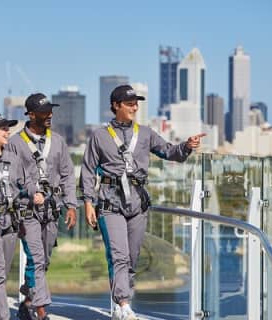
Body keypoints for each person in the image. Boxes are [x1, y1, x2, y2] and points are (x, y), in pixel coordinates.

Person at [80, 84, 206, 320]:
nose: (134, 107)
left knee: (132, 257)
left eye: (136, 103)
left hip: (138, 204)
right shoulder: (99, 136)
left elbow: (169, 152)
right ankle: (123, 303)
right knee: (118, 255)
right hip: (110, 203)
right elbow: (87, 171)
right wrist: (88, 202)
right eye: (129, 104)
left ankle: (120, 303)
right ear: (116, 106)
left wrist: (187, 146)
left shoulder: (146, 133)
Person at [7, 93, 77, 320]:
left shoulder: (58, 141)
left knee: (44, 260)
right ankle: (41, 311)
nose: (50, 115)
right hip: (27, 212)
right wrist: (30, 191)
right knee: (36, 258)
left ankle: (27, 300)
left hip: (52, 210)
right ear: (30, 114)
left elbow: (67, 175)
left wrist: (71, 205)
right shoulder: (15, 144)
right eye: (45, 112)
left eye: (51, 111)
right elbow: (11, 178)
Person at [0, 112, 44, 320]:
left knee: (0, 275)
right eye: (4, 128)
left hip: (11, 224)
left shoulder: (13, 158)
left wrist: (34, 193)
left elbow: (26, 181)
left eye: (8, 128)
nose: (8, 132)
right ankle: (3, 317)